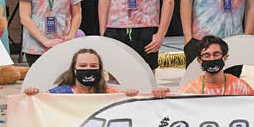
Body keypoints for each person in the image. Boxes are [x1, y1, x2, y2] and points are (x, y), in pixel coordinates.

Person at [24, 48, 169, 97]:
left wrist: (131, 95)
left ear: (100, 70)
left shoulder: (108, 93)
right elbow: (40, 103)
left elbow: (135, 103)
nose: (88, 69)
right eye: (83, 65)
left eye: (93, 66)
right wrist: (32, 94)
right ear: (74, 70)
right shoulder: (60, 93)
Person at [177, 35, 254, 99]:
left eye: (216, 54)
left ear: (224, 57)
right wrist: (163, 95)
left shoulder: (239, 87)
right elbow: (174, 106)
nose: (212, 59)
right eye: (207, 55)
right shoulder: (190, 90)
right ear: (199, 60)